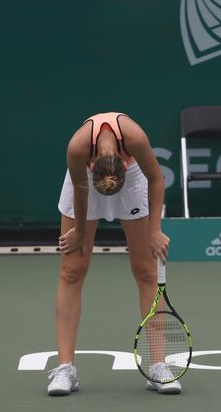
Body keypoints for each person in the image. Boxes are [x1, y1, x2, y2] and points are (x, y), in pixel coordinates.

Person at [46, 112, 180, 395]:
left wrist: (154, 230)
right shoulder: (77, 149)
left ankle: (158, 366)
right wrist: (80, 231)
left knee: (146, 271)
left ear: (124, 159)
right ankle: (65, 369)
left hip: (131, 184)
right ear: (92, 164)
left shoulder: (135, 139)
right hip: (84, 185)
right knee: (72, 270)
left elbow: (156, 180)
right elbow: (81, 193)